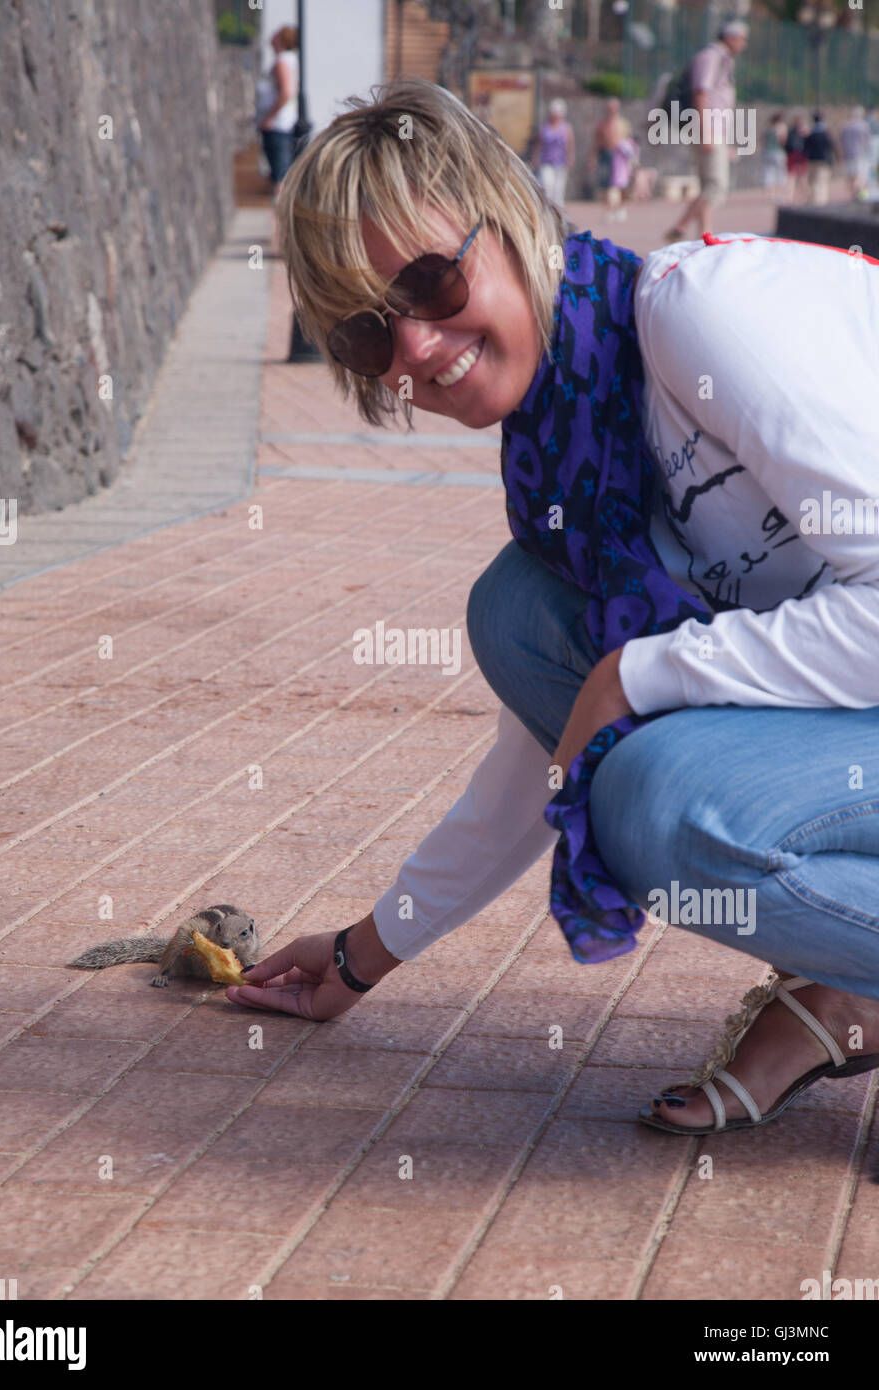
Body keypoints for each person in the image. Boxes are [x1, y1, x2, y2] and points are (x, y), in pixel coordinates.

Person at [231, 77, 879, 1140]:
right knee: (517, 615)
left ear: (515, 216)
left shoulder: (694, 315)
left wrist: (644, 674)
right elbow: (548, 744)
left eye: (434, 282)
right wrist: (362, 953)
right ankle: (849, 984)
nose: (416, 350)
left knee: (661, 802)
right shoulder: (563, 467)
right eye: (364, 336)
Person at [665, 19, 749, 241]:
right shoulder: (711, 57)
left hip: (715, 130)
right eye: (742, 38)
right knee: (716, 187)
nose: (744, 44)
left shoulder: (724, 60)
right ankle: (680, 227)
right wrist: (706, 133)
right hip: (708, 128)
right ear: (730, 37)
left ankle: (706, 234)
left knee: (706, 186)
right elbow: (700, 94)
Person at [258, 24, 299, 188]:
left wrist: (269, 117)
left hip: (277, 125)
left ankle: (279, 211)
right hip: (282, 124)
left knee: (280, 175)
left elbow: (286, 92)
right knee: (281, 172)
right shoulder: (290, 60)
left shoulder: (282, 61)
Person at [532, 98, 574, 209]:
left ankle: (559, 212)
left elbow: (569, 144)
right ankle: (547, 209)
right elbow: (538, 144)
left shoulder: (566, 128)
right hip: (546, 161)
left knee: (558, 190)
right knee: (547, 184)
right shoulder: (544, 128)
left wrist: (570, 158)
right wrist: (535, 158)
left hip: (561, 162)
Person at [592, 97, 630, 212]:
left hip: (620, 156)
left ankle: (622, 207)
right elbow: (596, 142)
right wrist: (593, 158)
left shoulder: (623, 123)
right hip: (605, 154)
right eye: (610, 108)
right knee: (605, 183)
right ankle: (608, 208)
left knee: (622, 184)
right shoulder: (602, 124)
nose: (611, 110)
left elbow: (629, 141)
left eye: (614, 108)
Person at [839, 106, 873, 199]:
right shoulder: (863, 126)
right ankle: (857, 192)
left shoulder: (846, 126)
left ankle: (854, 195)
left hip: (848, 155)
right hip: (860, 155)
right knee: (860, 176)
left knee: (851, 176)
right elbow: (867, 142)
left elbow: (841, 141)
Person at [803, 112, 836, 206]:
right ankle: (820, 201)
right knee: (822, 182)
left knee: (813, 182)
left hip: (812, 160)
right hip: (824, 161)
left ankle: (814, 200)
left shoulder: (811, 134)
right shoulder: (826, 134)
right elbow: (832, 146)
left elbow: (805, 149)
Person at [784, 113, 810, 203]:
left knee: (792, 177)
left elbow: (786, 144)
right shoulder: (804, 132)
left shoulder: (790, 131)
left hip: (792, 154)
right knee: (802, 177)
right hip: (801, 155)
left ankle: (790, 196)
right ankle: (804, 196)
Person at [761, 112, 788, 195]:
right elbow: (782, 141)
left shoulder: (768, 129)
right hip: (778, 152)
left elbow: (762, 140)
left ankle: (769, 191)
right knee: (780, 171)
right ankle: (779, 190)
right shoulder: (781, 128)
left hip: (767, 152)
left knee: (768, 171)